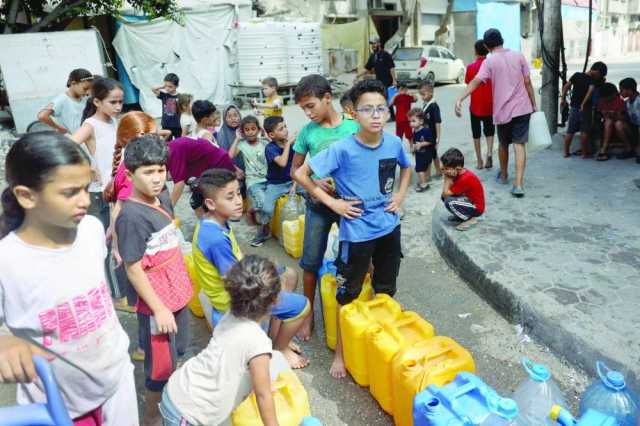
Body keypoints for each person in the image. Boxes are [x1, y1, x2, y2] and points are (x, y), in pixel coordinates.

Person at [0, 132, 136, 425]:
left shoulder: (90, 229)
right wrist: (4, 342)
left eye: (86, 188)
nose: (85, 201)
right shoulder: (7, 260)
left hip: (117, 382)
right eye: (70, 192)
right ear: (26, 196)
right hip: (58, 406)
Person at [293, 79, 411, 379]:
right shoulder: (343, 149)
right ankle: (341, 353)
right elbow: (302, 173)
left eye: (380, 109)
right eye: (366, 110)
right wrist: (334, 206)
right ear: (353, 114)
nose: (375, 115)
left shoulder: (394, 142)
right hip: (356, 234)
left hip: (388, 228)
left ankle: (381, 339)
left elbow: (405, 166)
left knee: (386, 289)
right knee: (348, 294)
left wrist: (399, 196)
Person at [191, 168, 310, 368]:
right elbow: (238, 281)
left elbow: (236, 262)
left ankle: (274, 335)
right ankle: (279, 349)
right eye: (230, 197)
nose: (239, 201)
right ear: (210, 203)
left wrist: (269, 267)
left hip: (237, 285)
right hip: (236, 301)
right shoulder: (215, 239)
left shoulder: (214, 224)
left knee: (289, 275)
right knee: (302, 306)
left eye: (238, 193)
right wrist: (267, 276)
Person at [116, 135, 193, 426]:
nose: (157, 178)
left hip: (178, 293)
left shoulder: (162, 199)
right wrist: (159, 309)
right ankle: (152, 419)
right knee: (159, 369)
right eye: (148, 172)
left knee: (178, 352)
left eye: (161, 169)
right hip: (158, 303)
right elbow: (133, 268)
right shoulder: (131, 217)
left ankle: (172, 404)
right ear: (130, 173)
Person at [160, 255, 292, 426]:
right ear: (275, 300)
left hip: (179, 390)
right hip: (187, 414)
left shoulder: (230, 315)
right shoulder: (258, 342)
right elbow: (263, 395)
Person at [290, 74, 359, 341]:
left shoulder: (353, 128)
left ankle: (361, 309)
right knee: (310, 262)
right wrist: (315, 180)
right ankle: (308, 316)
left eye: (311, 106)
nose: (308, 113)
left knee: (358, 257)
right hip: (318, 204)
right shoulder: (308, 133)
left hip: (349, 205)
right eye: (303, 108)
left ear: (327, 98)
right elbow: (296, 169)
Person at [455, 28, 537, 198]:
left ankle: (505, 175)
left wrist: (460, 99)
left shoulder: (489, 62)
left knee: (503, 144)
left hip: (503, 110)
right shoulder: (518, 55)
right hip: (523, 107)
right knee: (519, 145)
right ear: (502, 40)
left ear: (486, 45)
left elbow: (476, 82)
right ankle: (519, 184)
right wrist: (534, 105)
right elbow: (528, 82)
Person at [104, 111, 159, 363]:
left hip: (134, 241)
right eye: (147, 135)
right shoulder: (133, 171)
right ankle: (144, 349)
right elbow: (117, 211)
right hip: (138, 245)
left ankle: (144, 347)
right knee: (147, 305)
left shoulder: (130, 162)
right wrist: (116, 244)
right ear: (129, 140)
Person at [71, 77, 124, 305]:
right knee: (107, 243)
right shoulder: (91, 125)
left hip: (119, 189)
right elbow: (67, 145)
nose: (118, 107)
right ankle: (114, 295)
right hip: (103, 193)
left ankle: (123, 291)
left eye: (120, 102)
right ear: (97, 102)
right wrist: (88, 165)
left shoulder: (114, 122)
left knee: (121, 239)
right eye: (113, 102)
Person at [262, 116, 305, 245]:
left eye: (285, 126)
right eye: (281, 129)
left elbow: (298, 166)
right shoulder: (270, 148)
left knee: (312, 194)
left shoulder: (293, 145)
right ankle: (264, 228)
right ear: (271, 135)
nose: (286, 130)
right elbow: (282, 162)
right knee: (267, 209)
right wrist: (288, 145)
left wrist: (295, 183)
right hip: (276, 184)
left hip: (292, 180)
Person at [228, 115, 270, 246]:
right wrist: (237, 138)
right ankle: (261, 232)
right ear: (243, 132)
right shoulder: (242, 145)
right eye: (247, 129)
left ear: (258, 129)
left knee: (267, 206)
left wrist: (266, 135)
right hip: (253, 182)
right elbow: (229, 156)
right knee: (263, 203)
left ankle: (251, 210)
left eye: (253, 128)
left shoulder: (264, 142)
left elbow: (276, 147)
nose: (250, 132)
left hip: (269, 179)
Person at [166, 136, 237, 208]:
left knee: (210, 202)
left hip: (218, 164)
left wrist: (168, 210)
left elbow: (179, 184)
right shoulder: (168, 147)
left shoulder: (173, 151)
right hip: (208, 166)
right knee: (196, 203)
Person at [560, 62, 606, 158]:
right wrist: (583, 104)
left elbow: (566, 87)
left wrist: (563, 99)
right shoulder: (592, 81)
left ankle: (565, 152)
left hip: (574, 108)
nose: (599, 77)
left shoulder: (577, 75)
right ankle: (584, 154)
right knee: (584, 131)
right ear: (597, 71)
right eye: (600, 75)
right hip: (586, 109)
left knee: (570, 131)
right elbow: (590, 91)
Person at [465, 40, 495, 169]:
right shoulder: (492, 66)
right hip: (490, 105)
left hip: (475, 106)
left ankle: (479, 161)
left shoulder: (471, 67)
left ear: (476, 51)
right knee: (489, 131)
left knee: (476, 133)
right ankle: (489, 153)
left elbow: (468, 83)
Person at [440, 148, 485, 232]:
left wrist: (446, 178)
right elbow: (444, 195)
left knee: (449, 201)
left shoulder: (465, 178)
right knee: (446, 198)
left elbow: (445, 193)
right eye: (444, 168)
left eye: (446, 168)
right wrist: (447, 174)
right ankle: (461, 216)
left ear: (458, 168)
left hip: (476, 208)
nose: (444, 171)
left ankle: (470, 219)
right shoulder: (458, 173)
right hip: (468, 201)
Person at [37, 68, 94, 135]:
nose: (88, 92)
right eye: (85, 89)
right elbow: (42, 115)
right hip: (73, 140)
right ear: (73, 83)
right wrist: (59, 128)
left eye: (90, 89)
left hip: (86, 137)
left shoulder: (84, 99)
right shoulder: (62, 99)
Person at [358, 36, 397, 121]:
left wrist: (394, 80)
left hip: (388, 81)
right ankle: (390, 116)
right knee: (382, 98)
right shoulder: (373, 56)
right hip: (379, 81)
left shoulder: (385, 54)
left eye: (375, 43)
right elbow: (367, 68)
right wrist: (358, 76)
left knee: (387, 98)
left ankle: (391, 116)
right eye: (372, 44)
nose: (373, 45)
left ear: (379, 43)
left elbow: (392, 68)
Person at [595, 82, 634, 161]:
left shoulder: (619, 101)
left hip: (620, 123)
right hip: (607, 124)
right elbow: (599, 116)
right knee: (608, 121)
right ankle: (604, 149)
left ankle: (628, 147)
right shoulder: (601, 102)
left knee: (618, 123)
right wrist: (604, 114)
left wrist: (615, 114)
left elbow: (625, 118)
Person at [419, 81, 443, 179]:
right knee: (433, 154)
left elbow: (438, 122)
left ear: (431, 93)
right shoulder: (426, 104)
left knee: (429, 155)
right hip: (426, 135)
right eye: (421, 94)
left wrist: (438, 137)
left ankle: (428, 175)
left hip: (432, 136)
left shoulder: (434, 106)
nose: (422, 97)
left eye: (423, 94)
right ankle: (438, 171)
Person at [407, 108, 434, 192]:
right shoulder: (415, 131)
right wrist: (413, 148)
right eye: (410, 121)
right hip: (419, 154)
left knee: (419, 169)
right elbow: (415, 142)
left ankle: (424, 184)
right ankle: (424, 180)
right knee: (422, 168)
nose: (411, 123)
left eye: (413, 121)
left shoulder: (426, 131)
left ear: (421, 121)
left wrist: (421, 144)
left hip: (425, 154)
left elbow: (431, 141)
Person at [152, 73, 181, 140]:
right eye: (166, 86)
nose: (167, 88)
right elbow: (153, 89)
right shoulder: (164, 95)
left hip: (177, 125)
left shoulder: (180, 97)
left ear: (176, 86)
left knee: (178, 142)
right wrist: (162, 87)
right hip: (166, 124)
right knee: (167, 142)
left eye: (170, 86)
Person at [619, 77, 640, 163]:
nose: (620, 92)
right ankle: (629, 149)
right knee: (619, 124)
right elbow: (627, 117)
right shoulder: (626, 102)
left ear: (629, 90)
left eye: (622, 90)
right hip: (634, 126)